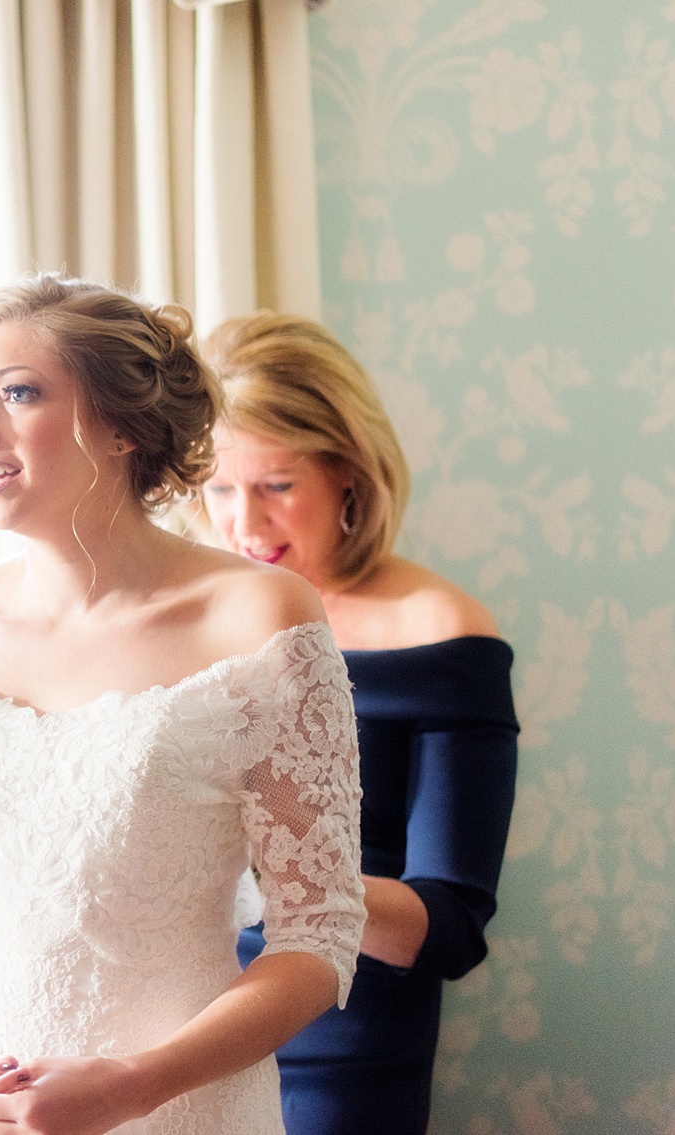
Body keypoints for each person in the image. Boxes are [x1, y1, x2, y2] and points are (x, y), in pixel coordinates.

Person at [0, 274, 367, 1135]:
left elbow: (318, 934)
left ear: (122, 425)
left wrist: (136, 1083)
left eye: (18, 392)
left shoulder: (262, 620)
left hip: (179, 1113)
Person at [197, 312, 520, 1135]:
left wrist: (288, 879)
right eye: (219, 487)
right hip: (173, 1023)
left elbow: (451, 928)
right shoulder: (185, 625)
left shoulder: (443, 634)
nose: (246, 524)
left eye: (277, 485)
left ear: (348, 472)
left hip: (344, 1050)